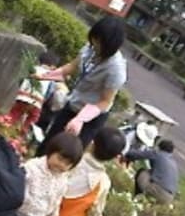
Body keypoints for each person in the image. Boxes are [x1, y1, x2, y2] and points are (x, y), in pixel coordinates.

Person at [29, 127, 127, 216]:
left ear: (92, 143)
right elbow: (95, 210)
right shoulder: (103, 182)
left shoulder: (72, 161)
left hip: (51, 212)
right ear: (114, 157)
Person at [36, 16, 127, 152]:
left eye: (99, 43)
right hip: (73, 103)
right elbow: (71, 67)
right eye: (94, 39)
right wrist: (45, 76)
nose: (95, 45)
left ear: (111, 45)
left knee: (66, 153)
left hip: (90, 117)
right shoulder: (90, 48)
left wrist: (80, 119)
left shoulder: (116, 69)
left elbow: (105, 102)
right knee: (49, 144)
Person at [9, 51, 60, 135]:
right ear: (53, 66)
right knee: (32, 119)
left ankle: (6, 124)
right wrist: (43, 101)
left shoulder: (33, 69)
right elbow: (49, 92)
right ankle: (22, 134)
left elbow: (22, 81)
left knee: (15, 113)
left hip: (22, 97)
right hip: (36, 102)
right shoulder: (51, 76)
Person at [123, 139, 178, 204]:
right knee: (149, 173)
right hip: (169, 198)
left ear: (159, 147)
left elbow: (135, 154)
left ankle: (136, 199)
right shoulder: (174, 163)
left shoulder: (157, 153)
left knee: (142, 172)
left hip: (158, 191)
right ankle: (145, 204)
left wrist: (127, 153)